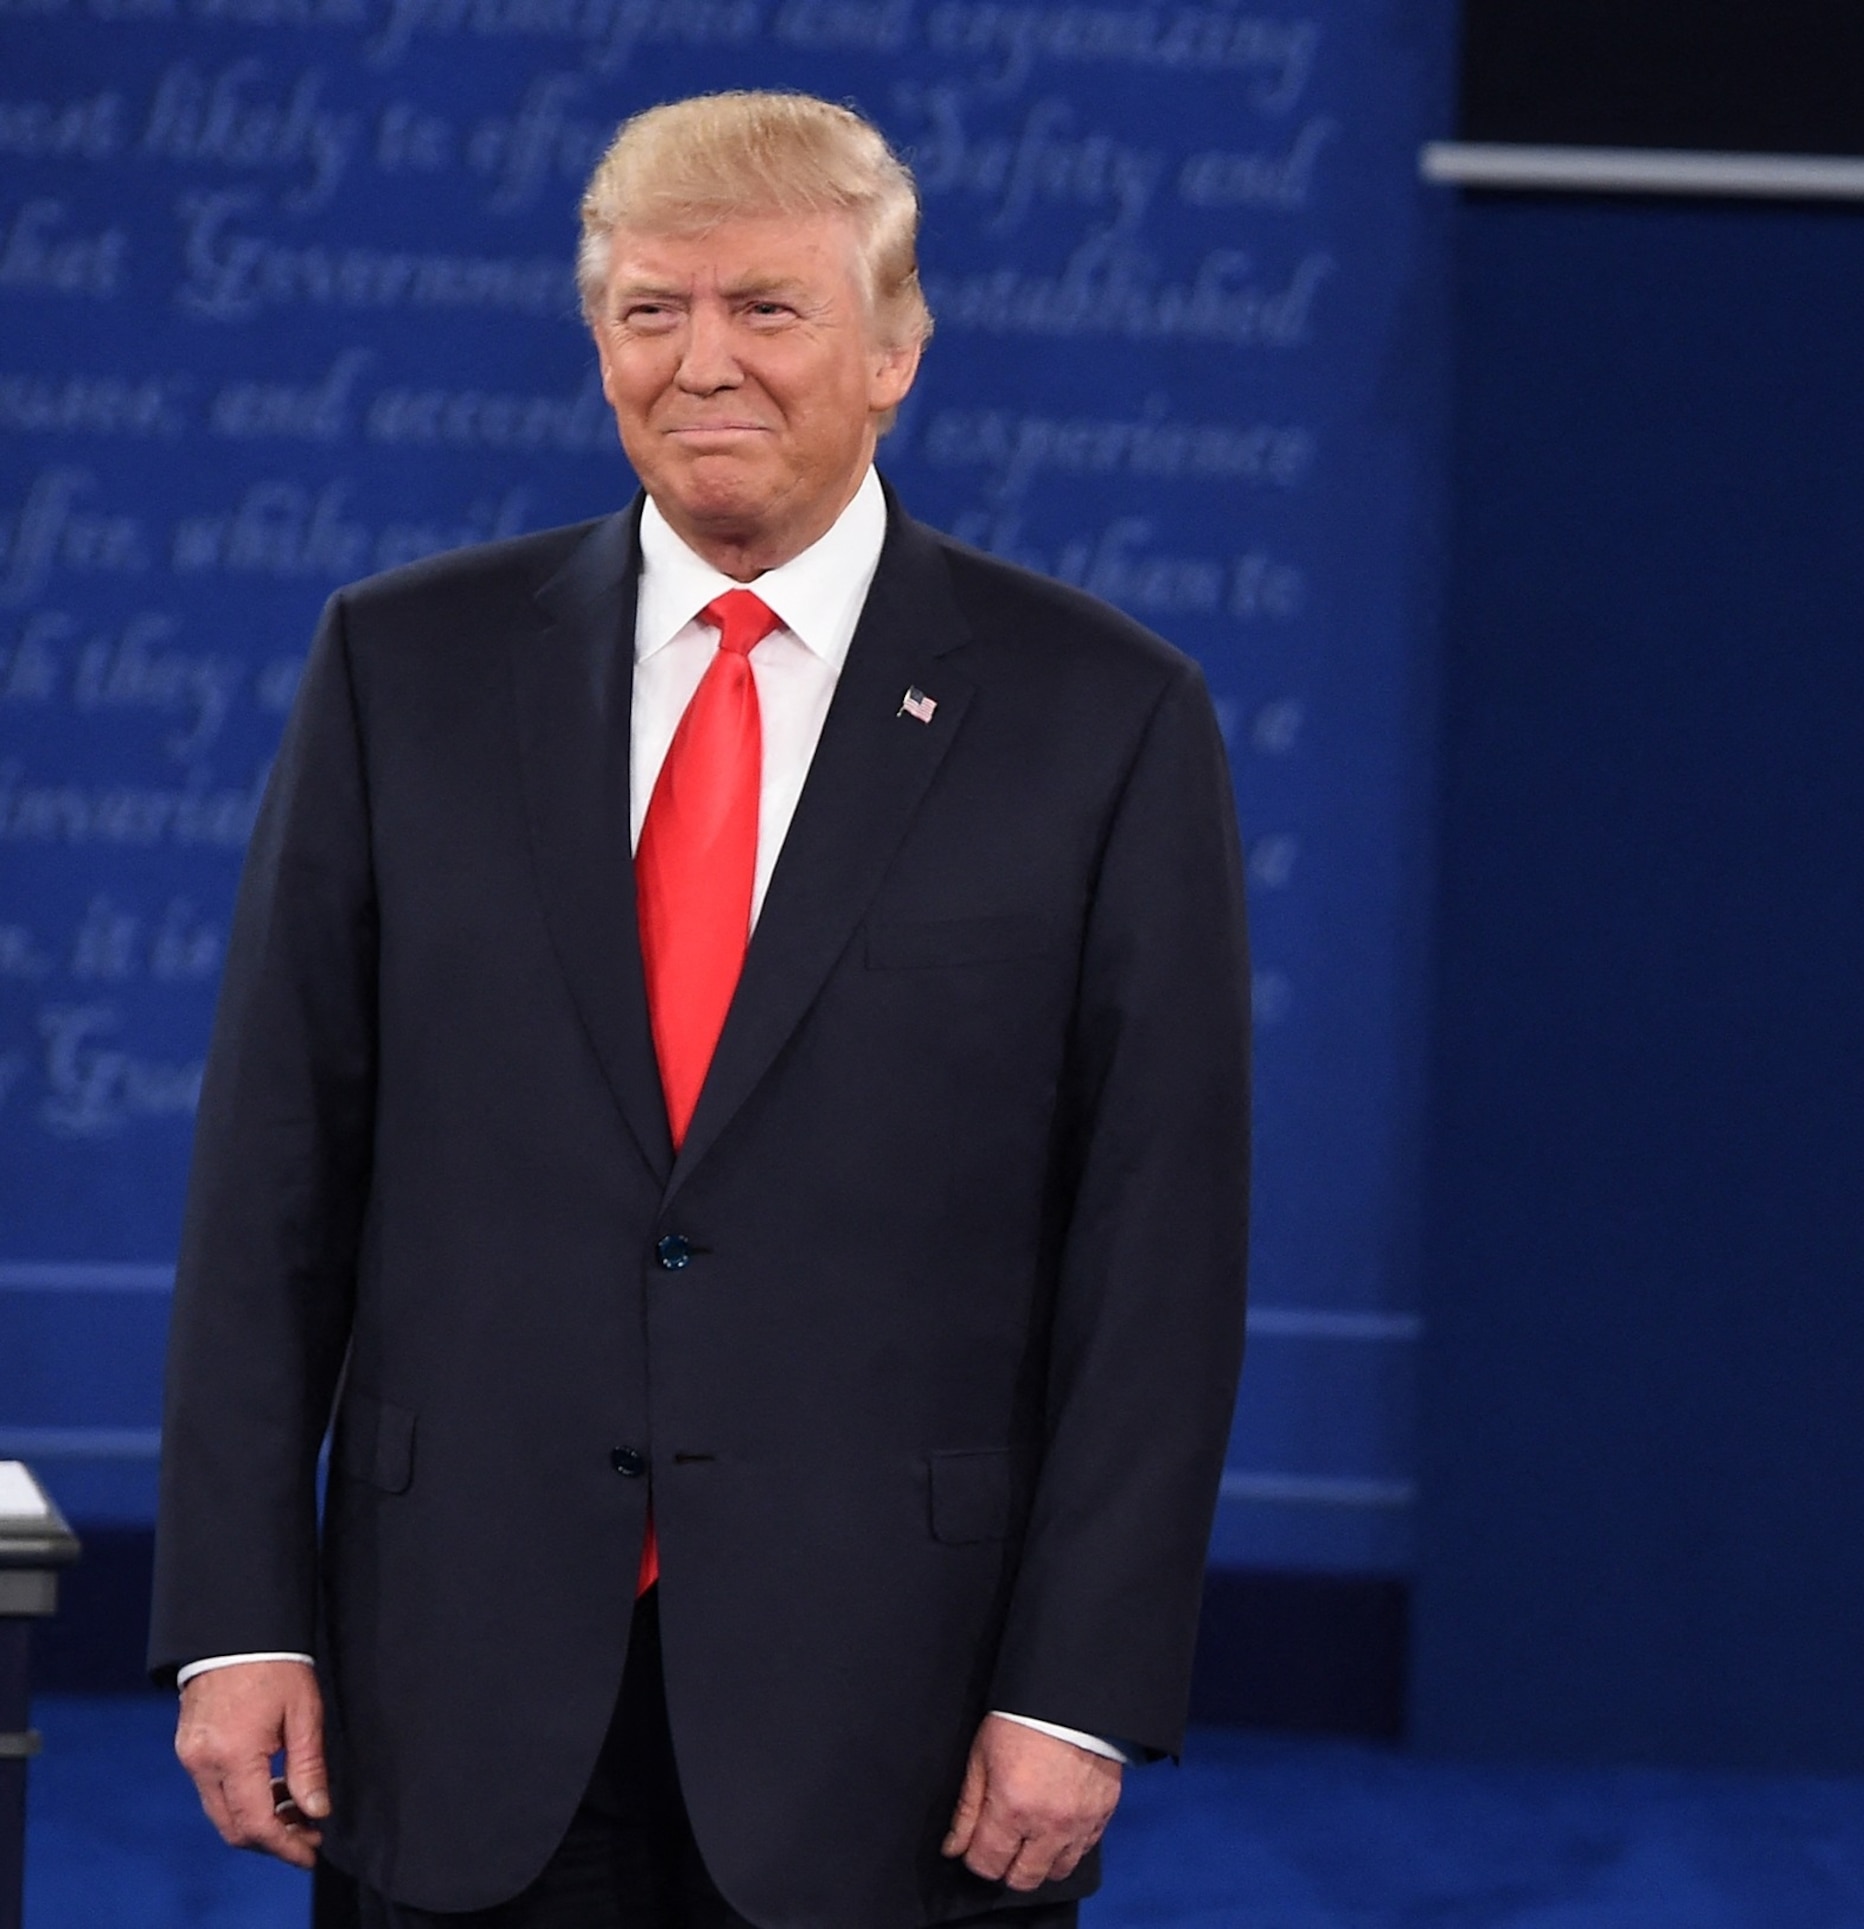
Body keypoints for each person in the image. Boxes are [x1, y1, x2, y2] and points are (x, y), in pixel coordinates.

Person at [148, 91, 1251, 1927]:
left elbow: (1160, 1247)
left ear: (895, 351)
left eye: (769, 307)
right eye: (653, 311)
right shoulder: (399, 670)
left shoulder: (1105, 717)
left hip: (897, 1724)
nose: (702, 362)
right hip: (456, 1690)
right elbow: (272, 1180)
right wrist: (235, 1622)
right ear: (599, 347)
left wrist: (1082, 1681)